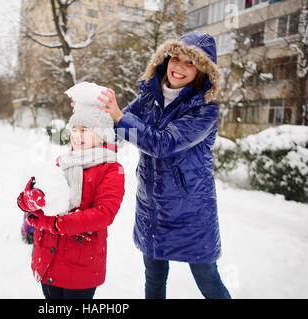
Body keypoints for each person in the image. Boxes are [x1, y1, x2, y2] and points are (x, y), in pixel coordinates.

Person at [98, 31, 231, 299]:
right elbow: (116, 127)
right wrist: (94, 113)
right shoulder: (150, 96)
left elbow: (162, 144)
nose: (179, 67)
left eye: (190, 63)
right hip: (153, 207)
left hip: (191, 212)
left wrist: (119, 118)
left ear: (202, 70)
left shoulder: (204, 109)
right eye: (176, 58)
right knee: (154, 279)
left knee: (208, 279)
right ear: (165, 59)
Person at [17, 83, 125, 299]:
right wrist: (31, 200)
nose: (77, 135)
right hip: (47, 259)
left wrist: (54, 223)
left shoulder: (112, 169)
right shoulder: (62, 162)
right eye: (74, 130)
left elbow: (103, 214)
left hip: (81, 264)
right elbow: (23, 200)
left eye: (84, 130)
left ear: (102, 134)